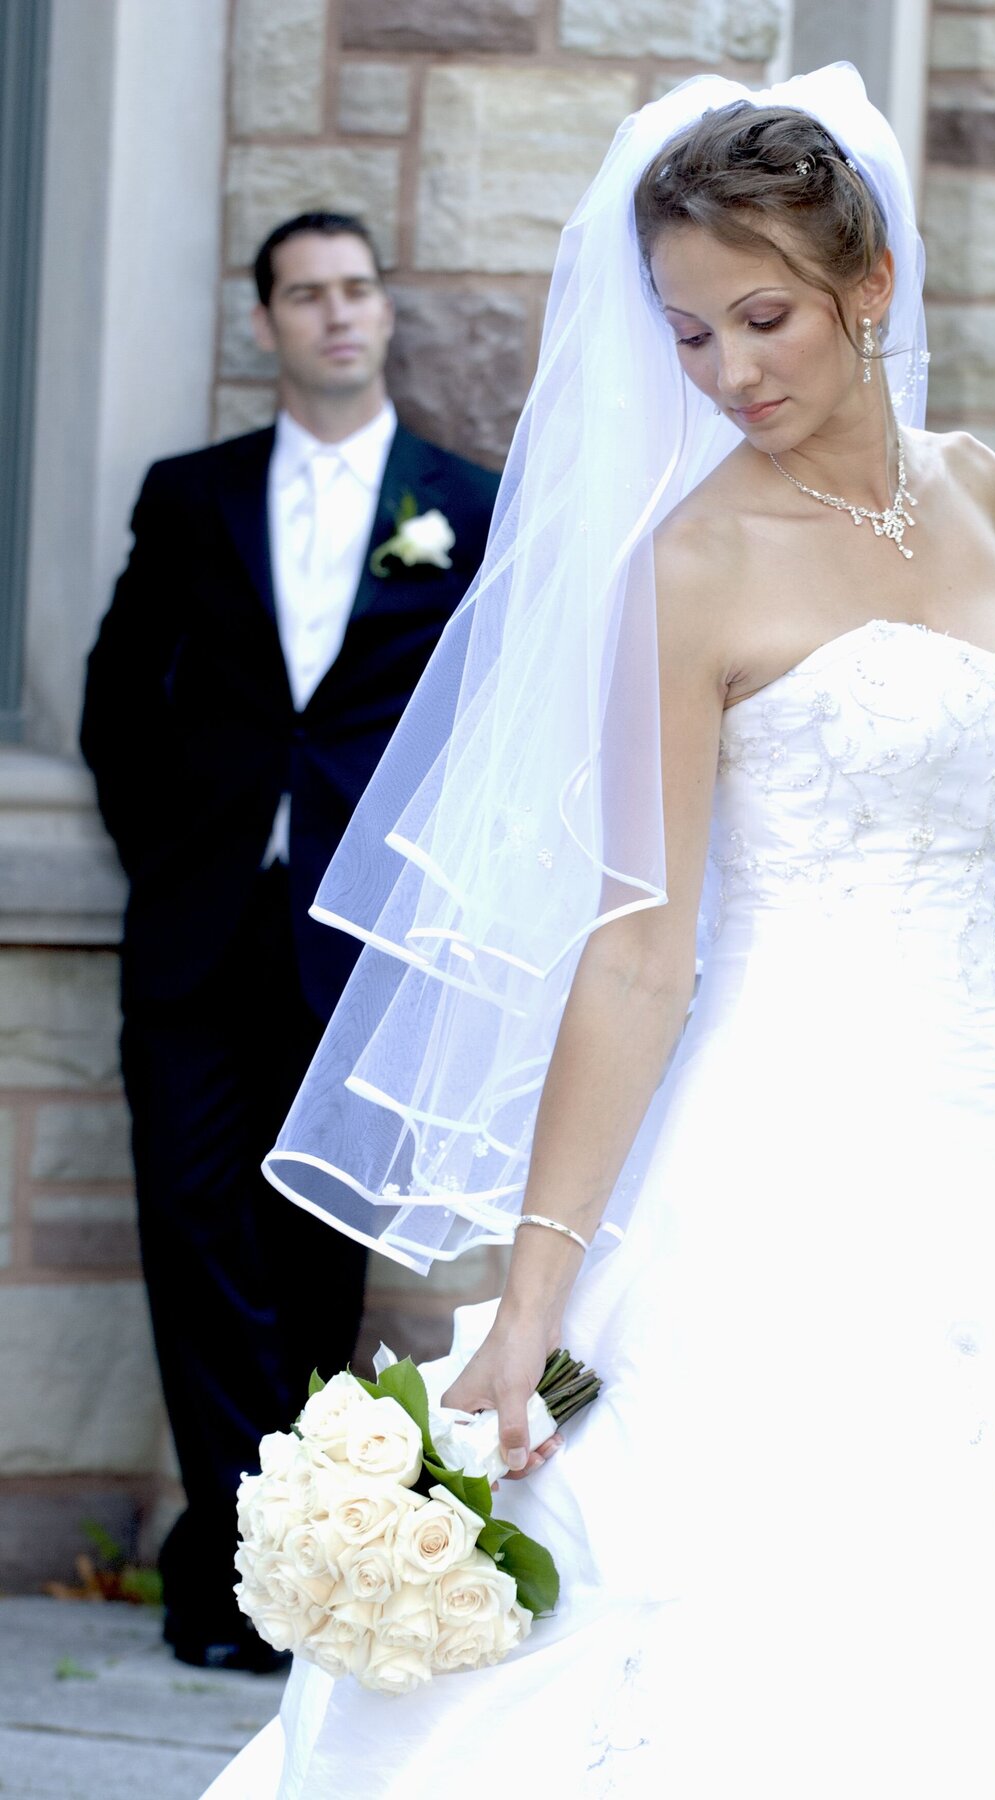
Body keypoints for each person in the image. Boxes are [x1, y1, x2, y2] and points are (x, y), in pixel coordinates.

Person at [205, 68, 995, 1794]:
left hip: (983, 1131)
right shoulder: (687, 566)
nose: (730, 374)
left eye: (763, 317)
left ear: (866, 286)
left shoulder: (982, 485)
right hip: (769, 1150)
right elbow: (640, 948)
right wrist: (530, 1303)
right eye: (686, 335)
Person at [79, 212, 500, 1672]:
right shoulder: (188, 499)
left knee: (322, 1264)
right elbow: (118, 700)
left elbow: (490, 727)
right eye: (306, 295)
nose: (336, 316)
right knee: (193, 1239)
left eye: (357, 292)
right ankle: (233, 1567)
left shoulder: (467, 503)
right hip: (202, 930)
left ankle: (315, 1570)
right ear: (267, 321)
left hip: (362, 937)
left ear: (386, 316)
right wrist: (177, 853)